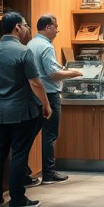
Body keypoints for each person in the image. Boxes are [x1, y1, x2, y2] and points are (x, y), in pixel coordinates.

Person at [0, 11, 53, 207]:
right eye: (25, 25)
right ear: (17, 27)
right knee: (19, 154)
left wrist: (2, 90)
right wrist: (46, 105)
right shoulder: (23, 51)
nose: (27, 29)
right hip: (22, 110)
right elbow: (35, 83)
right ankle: (17, 200)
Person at [27, 14, 83, 184]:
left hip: (33, 94)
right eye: (56, 26)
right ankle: (49, 173)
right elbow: (53, 74)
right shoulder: (46, 46)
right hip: (49, 95)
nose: (57, 30)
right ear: (47, 27)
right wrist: (74, 73)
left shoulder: (31, 44)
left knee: (30, 134)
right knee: (50, 135)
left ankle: (24, 171)